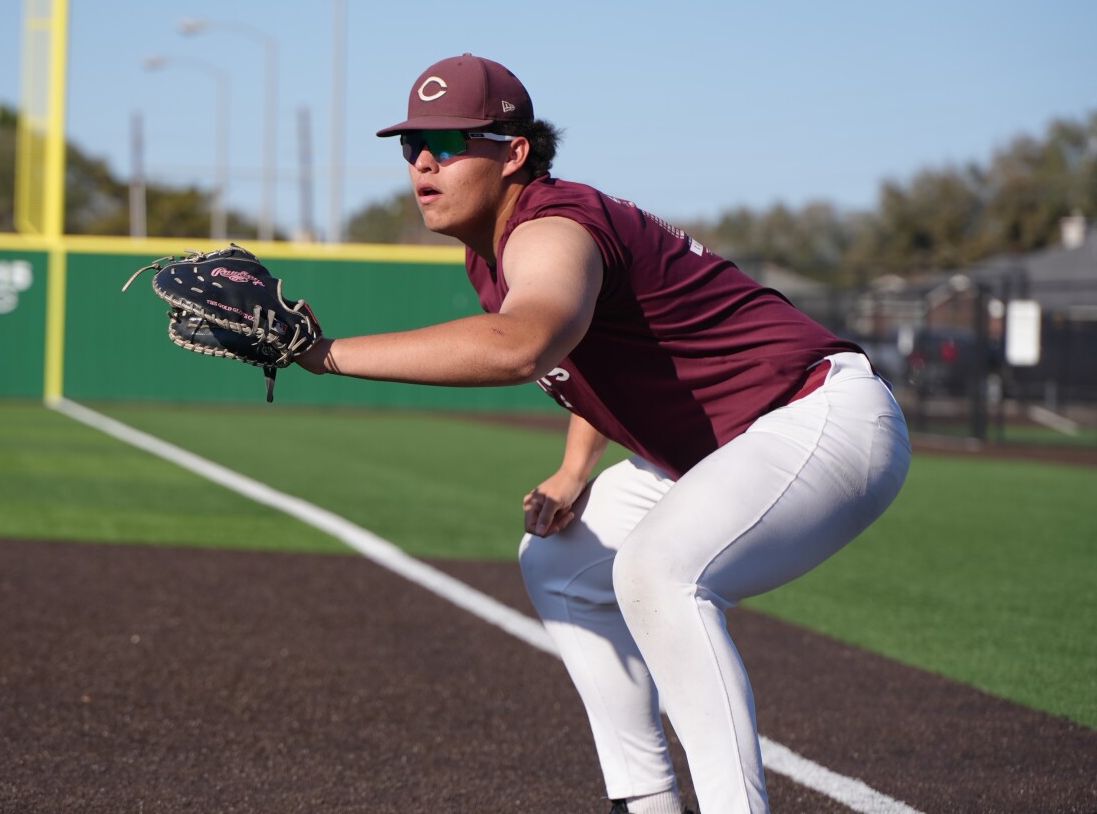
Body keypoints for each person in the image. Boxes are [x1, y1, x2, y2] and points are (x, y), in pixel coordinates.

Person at [296, 53, 911, 814]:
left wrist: (323, 355)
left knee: (657, 569)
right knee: (561, 558)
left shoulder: (552, 227)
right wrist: (575, 467)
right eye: (411, 145)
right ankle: (644, 799)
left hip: (822, 415)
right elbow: (604, 357)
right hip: (734, 443)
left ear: (513, 151)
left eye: (450, 142)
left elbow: (521, 347)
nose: (423, 160)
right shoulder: (497, 250)